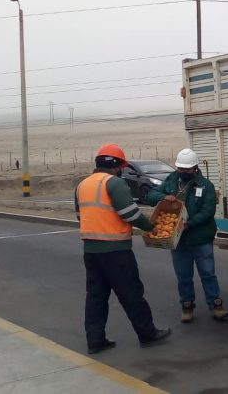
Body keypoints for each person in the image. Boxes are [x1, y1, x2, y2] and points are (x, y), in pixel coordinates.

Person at [75, 144, 171, 354]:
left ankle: (96, 340)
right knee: (131, 293)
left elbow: (80, 217)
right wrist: (152, 228)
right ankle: (147, 333)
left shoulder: (82, 185)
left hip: (91, 251)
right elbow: (131, 214)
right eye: (121, 166)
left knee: (96, 297)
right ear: (116, 165)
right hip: (115, 251)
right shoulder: (115, 183)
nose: (122, 170)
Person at [147, 148, 228, 323]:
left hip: (200, 239)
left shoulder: (206, 186)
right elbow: (151, 195)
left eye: (187, 169)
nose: (183, 172)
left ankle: (216, 305)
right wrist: (164, 196)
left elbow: (208, 211)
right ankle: (187, 306)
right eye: (181, 169)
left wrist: (188, 224)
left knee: (208, 274)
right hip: (179, 240)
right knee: (183, 275)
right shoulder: (171, 180)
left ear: (195, 168)